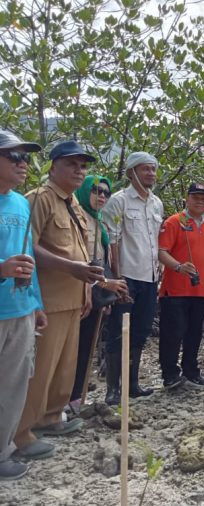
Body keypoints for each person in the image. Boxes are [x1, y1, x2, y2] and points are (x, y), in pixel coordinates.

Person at [16, 140, 105, 460]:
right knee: (40, 368)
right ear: (53, 166)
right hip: (47, 299)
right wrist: (71, 269)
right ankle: (22, 430)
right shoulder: (39, 199)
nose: (79, 171)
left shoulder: (73, 203)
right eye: (72, 164)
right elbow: (29, 247)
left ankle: (51, 416)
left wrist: (86, 289)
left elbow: (79, 249)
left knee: (64, 366)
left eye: (83, 166)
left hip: (73, 298)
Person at [0, 130, 47, 479]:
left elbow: (28, 254)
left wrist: (36, 302)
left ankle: (3, 451)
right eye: (14, 156)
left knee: (14, 384)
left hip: (19, 309)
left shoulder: (20, 203)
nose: (23, 164)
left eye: (25, 157)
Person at [102, 152, 164, 404]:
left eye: (153, 169)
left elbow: (156, 241)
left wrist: (159, 273)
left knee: (140, 331)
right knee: (117, 331)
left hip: (149, 278)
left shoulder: (156, 203)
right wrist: (117, 280)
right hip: (126, 276)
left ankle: (132, 383)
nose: (150, 173)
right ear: (131, 173)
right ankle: (112, 389)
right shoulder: (118, 201)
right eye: (145, 169)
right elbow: (112, 242)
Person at [69, 175, 128, 410]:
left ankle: (75, 398)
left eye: (106, 192)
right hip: (75, 292)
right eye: (96, 190)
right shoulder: (77, 218)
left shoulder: (100, 221)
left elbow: (103, 259)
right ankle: (62, 398)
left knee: (86, 346)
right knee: (70, 348)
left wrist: (105, 293)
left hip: (95, 292)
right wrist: (106, 285)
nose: (101, 195)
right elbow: (78, 260)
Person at [157, 183, 204, 388]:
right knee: (173, 333)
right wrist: (178, 267)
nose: (200, 201)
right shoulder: (174, 222)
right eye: (195, 197)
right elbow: (161, 251)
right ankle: (170, 374)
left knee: (194, 334)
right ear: (187, 198)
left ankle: (191, 371)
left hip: (199, 291)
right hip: (174, 290)